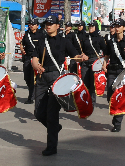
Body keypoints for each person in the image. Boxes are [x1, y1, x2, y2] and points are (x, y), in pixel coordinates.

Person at [30, 15, 86, 150]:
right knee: (38, 113)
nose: (48, 25)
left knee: (51, 113)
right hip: (42, 78)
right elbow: (34, 59)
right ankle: (55, 128)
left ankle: (51, 146)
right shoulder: (41, 41)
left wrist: (81, 57)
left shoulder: (64, 41)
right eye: (46, 23)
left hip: (56, 78)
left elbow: (75, 55)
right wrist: (37, 66)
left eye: (51, 23)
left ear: (57, 26)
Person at [80, 21, 105, 103]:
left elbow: (105, 50)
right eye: (89, 26)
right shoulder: (85, 37)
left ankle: (92, 102)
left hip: (95, 61)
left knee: (92, 83)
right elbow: (81, 49)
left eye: (92, 26)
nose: (90, 27)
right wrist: (82, 55)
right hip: (85, 62)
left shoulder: (100, 38)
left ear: (96, 27)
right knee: (84, 81)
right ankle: (85, 101)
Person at [21, 18, 43, 104]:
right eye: (30, 24)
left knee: (33, 79)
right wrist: (22, 49)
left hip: (37, 59)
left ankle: (31, 97)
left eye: (33, 24)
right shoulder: (27, 34)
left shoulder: (41, 34)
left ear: (37, 26)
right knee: (27, 78)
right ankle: (32, 93)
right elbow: (22, 44)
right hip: (27, 58)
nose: (31, 26)